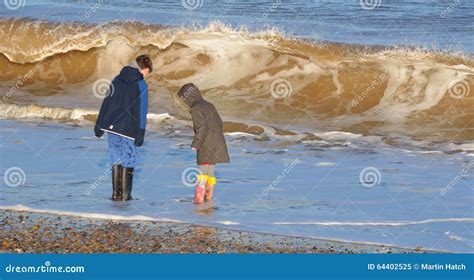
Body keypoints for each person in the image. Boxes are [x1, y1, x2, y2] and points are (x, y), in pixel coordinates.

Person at [94, 55, 152, 201]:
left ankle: (116, 195)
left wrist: (99, 124)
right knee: (129, 159)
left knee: (116, 158)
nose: (146, 76)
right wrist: (141, 132)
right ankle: (126, 196)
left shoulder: (116, 79)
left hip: (111, 126)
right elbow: (141, 111)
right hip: (128, 130)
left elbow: (106, 103)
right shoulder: (141, 85)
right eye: (148, 73)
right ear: (144, 69)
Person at [177, 83, 230, 204]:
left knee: (202, 170)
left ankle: (199, 199)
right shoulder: (209, 104)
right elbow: (220, 122)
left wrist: (196, 144)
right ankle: (208, 197)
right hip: (217, 141)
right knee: (210, 171)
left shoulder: (195, 108)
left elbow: (202, 127)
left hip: (206, 142)